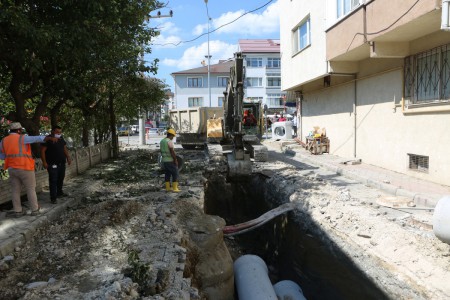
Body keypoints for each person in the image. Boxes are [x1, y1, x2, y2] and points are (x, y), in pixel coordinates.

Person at [0, 122, 59, 217]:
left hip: (11, 169)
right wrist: (49, 138)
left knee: (15, 190)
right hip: (25, 167)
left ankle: (18, 211)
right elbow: (36, 138)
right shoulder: (22, 138)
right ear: (19, 130)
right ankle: (35, 209)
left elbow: (2, 156)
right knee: (30, 189)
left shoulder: (3, 141)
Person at [41, 125, 72, 204]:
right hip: (52, 164)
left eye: (60, 132)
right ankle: (53, 198)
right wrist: (44, 162)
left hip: (61, 163)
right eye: (57, 132)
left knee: (61, 178)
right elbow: (42, 151)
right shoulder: (47, 139)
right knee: (53, 180)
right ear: (53, 132)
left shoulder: (61, 138)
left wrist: (68, 157)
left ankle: (59, 192)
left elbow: (64, 148)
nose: (59, 133)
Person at [160, 128, 180, 193]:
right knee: (175, 173)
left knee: (167, 174)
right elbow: (172, 151)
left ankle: (168, 188)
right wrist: (175, 159)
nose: (173, 138)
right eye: (173, 136)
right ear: (170, 135)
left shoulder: (162, 141)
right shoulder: (169, 141)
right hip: (170, 160)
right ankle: (175, 188)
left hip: (164, 160)